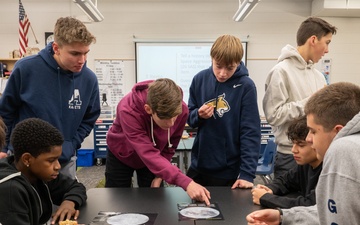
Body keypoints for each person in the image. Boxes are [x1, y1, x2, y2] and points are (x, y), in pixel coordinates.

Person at [0, 17, 101, 179]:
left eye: (85, 53)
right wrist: (3, 148)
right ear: (56, 48)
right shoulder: (26, 68)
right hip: (25, 160)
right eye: (75, 54)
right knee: (22, 202)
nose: (82, 60)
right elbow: (5, 112)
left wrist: (71, 143)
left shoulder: (89, 79)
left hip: (63, 161)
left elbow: (90, 117)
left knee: (66, 201)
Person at [247, 82, 360, 225]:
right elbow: (331, 212)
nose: (308, 139)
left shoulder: (343, 150)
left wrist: (268, 199)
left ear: (338, 132)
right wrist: (283, 216)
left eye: (313, 131)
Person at [105, 78, 211, 205]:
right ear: (148, 109)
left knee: (155, 201)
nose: (171, 123)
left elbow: (170, 146)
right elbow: (147, 153)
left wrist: (159, 176)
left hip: (156, 154)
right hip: (121, 154)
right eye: (165, 119)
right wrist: (186, 182)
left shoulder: (181, 109)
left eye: (174, 117)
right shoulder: (128, 109)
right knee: (118, 201)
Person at [262, 17, 337, 179]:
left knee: (312, 203)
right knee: (287, 203)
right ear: (313, 40)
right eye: (327, 42)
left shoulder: (319, 76)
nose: (327, 50)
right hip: (290, 156)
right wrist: (311, 103)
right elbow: (274, 115)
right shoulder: (280, 71)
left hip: (317, 156)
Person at [186, 34, 261, 189]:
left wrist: (247, 174)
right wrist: (197, 115)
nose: (222, 73)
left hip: (228, 171)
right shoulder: (199, 79)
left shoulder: (246, 86)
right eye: (218, 66)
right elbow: (189, 117)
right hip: (199, 166)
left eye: (230, 68)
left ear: (238, 63)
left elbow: (250, 132)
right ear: (212, 58)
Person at [0, 118, 87, 225]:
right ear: (27, 159)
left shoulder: (39, 174)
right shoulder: (10, 189)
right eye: (51, 160)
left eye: (57, 159)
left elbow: (76, 187)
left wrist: (69, 202)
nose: (58, 166)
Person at [251, 115, 322, 209]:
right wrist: (270, 189)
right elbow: (285, 181)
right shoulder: (305, 165)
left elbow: (310, 204)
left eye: (301, 145)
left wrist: (265, 198)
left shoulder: (327, 171)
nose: (294, 150)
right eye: (293, 144)